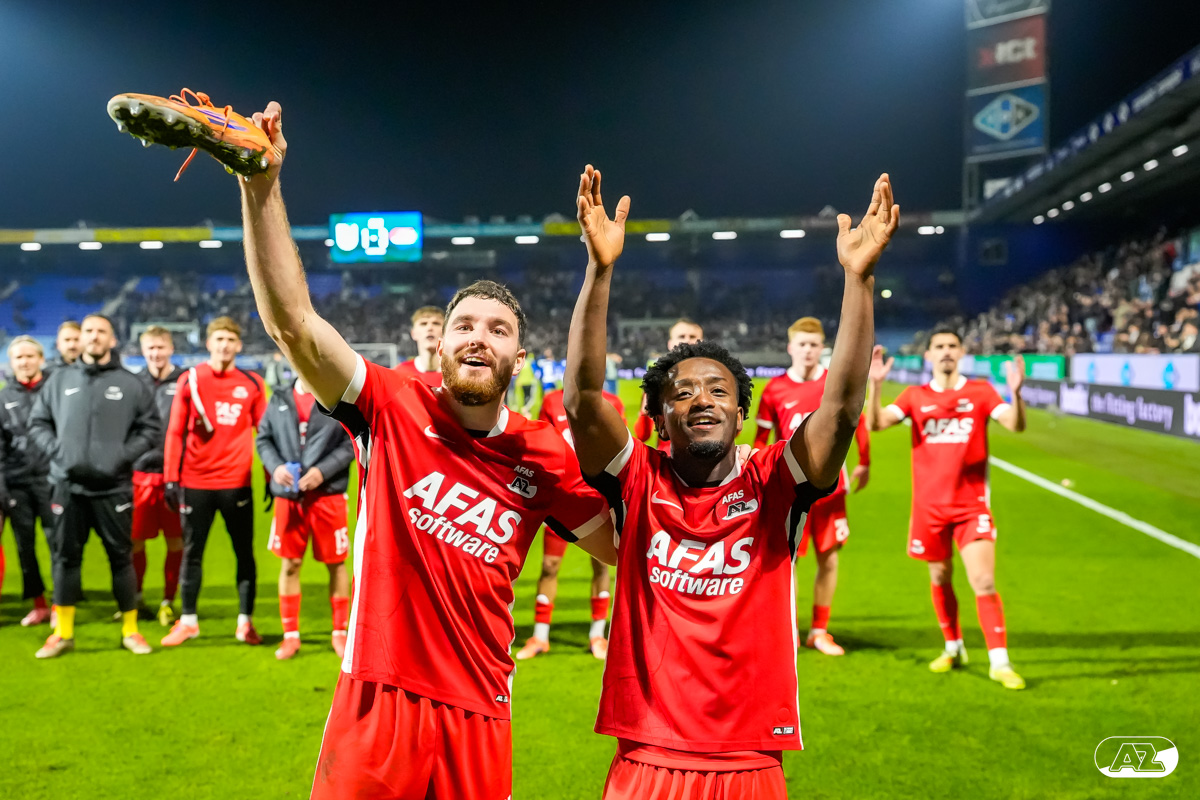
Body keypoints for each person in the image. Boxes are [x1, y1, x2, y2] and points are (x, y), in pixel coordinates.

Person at [230, 101, 613, 799]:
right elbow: (294, 325)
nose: (478, 338)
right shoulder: (389, 403)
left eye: (497, 330)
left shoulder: (542, 454)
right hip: (378, 696)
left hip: (480, 712)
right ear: (440, 344)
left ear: (520, 357)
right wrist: (262, 188)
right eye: (464, 325)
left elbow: (630, 548)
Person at [566, 165, 898, 797]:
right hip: (646, 753)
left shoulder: (776, 483)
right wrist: (599, 270)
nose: (702, 399)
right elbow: (582, 400)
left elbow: (840, 410)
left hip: (751, 760)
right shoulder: (637, 478)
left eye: (719, 390)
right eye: (682, 392)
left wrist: (859, 281)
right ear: (659, 415)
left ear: (742, 413)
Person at [865, 329, 1028, 690]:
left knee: (983, 581)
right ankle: (953, 647)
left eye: (952, 346)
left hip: (971, 506)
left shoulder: (981, 392)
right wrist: (875, 386)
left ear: (962, 352)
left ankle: (1000, 662)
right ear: (928, 356)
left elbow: (1015, 425)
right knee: (940, 577)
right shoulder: (915, 396)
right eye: (939, 347)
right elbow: (876, 424)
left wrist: (1016, 393)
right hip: (929, 508)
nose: (946, 352)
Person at [27, 314, 160, 658]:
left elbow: (150, 428)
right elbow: (38, 422)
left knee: (121, 558)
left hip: (113, 488)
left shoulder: (130, 383)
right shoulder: (59, 380)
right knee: (65, 559)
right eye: (89, 331)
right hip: (67, 486)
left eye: (101, 331)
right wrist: (59, 452)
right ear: (81, 337)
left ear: (112, 340)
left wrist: (121, 457)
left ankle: (130, 631)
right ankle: (63, 633)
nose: (94, 336)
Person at [753, 317, 872, 656]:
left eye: (813, 345)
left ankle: (819, 631)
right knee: (786, 563)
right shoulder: (774, 389)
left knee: (829, 559)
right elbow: (761, 438)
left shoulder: (833, 384)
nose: (807, 351)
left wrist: (865, 460)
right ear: (790, 348)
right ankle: (786, 630)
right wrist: (759, 475)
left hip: (831, 489)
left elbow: (856, 421)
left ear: (822, 348)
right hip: (790, 490)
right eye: (802, 344)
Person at [160, 316, 267, 647]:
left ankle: (245, 622)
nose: (224, 345)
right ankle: (188, 621)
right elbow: (175, 431)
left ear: (239, 345)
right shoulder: (190, 379)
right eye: (219, 339)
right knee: (192, 553)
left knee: (243, 553)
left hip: (237, 484)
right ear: (209, 343)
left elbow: (265, 433)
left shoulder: (252, 383)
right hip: (196, 483)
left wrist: (270, 478)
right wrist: (170, 478)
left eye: (230, 340)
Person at [514, 384, 625, 661]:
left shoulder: (612, 402)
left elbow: (620, 451)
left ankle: (597, 635)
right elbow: (540, 446)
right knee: (549, 566)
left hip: (598, 498)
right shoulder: (552, 400)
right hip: (562, 497)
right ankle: (540, 637)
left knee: (603, 565)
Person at [257, 375, 355, 660]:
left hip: (327, 495)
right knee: (290, 564)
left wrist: (323, 471)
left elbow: (351, 442)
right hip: (289, 498)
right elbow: (263, 439)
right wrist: (275, 467)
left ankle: (340, 632)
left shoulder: (336, 397)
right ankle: (291, 636)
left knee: (336, 564)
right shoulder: (279, 397)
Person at [131, 326, 185, 626]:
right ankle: (136, 598)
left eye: (160, 347)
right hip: (139, 475)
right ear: (143, 351)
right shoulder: (133, 383)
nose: (155, 353)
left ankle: (168, 601)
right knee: (135, 541)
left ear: (171, 349)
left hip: (174, 476)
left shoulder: (185, 380)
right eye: (150, 348)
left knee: (175, 541)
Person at [0, 336, 55, 626]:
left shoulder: (54, 391)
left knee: (58, 544)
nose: (24, 362)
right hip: (17, 484)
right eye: (19, 358)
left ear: (41, 359)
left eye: (30, 356)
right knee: (25, 546)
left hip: (51, 481)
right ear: (11, 363)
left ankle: (61, 604)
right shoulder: (3, 398)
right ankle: (39, 604)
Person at [633, 318, 703, 452]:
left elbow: (733, 430)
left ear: (702, 342)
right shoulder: (658, 380)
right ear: (670, 344)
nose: (687, 341)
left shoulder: (717, 377)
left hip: (707, 459)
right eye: (681, 336)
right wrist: (645, 412)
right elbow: (642, 435)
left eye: (693, 337)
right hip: (670, 459)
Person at [394, 306, 445, 387]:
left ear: (445, 332)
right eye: (423, 323)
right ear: (413, 333)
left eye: (436, 323)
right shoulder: (400, 373)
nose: (430, 328)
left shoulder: (456, 373)